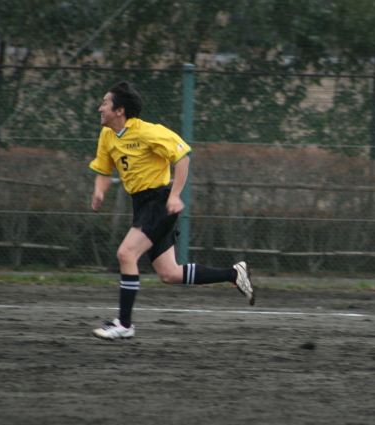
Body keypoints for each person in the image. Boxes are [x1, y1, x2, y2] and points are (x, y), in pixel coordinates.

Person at [89, 81, 255, 340]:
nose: (100, 108)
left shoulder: (148, 132)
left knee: (126, 253)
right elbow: (103, 169)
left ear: (119, 110)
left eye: (105, 103)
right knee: (170, 274)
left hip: (158, 203)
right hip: (141, 205)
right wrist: (99, 191)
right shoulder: (107, 135)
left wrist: (175, 195)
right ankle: (234, 274)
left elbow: (183, 156)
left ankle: (124, 324)